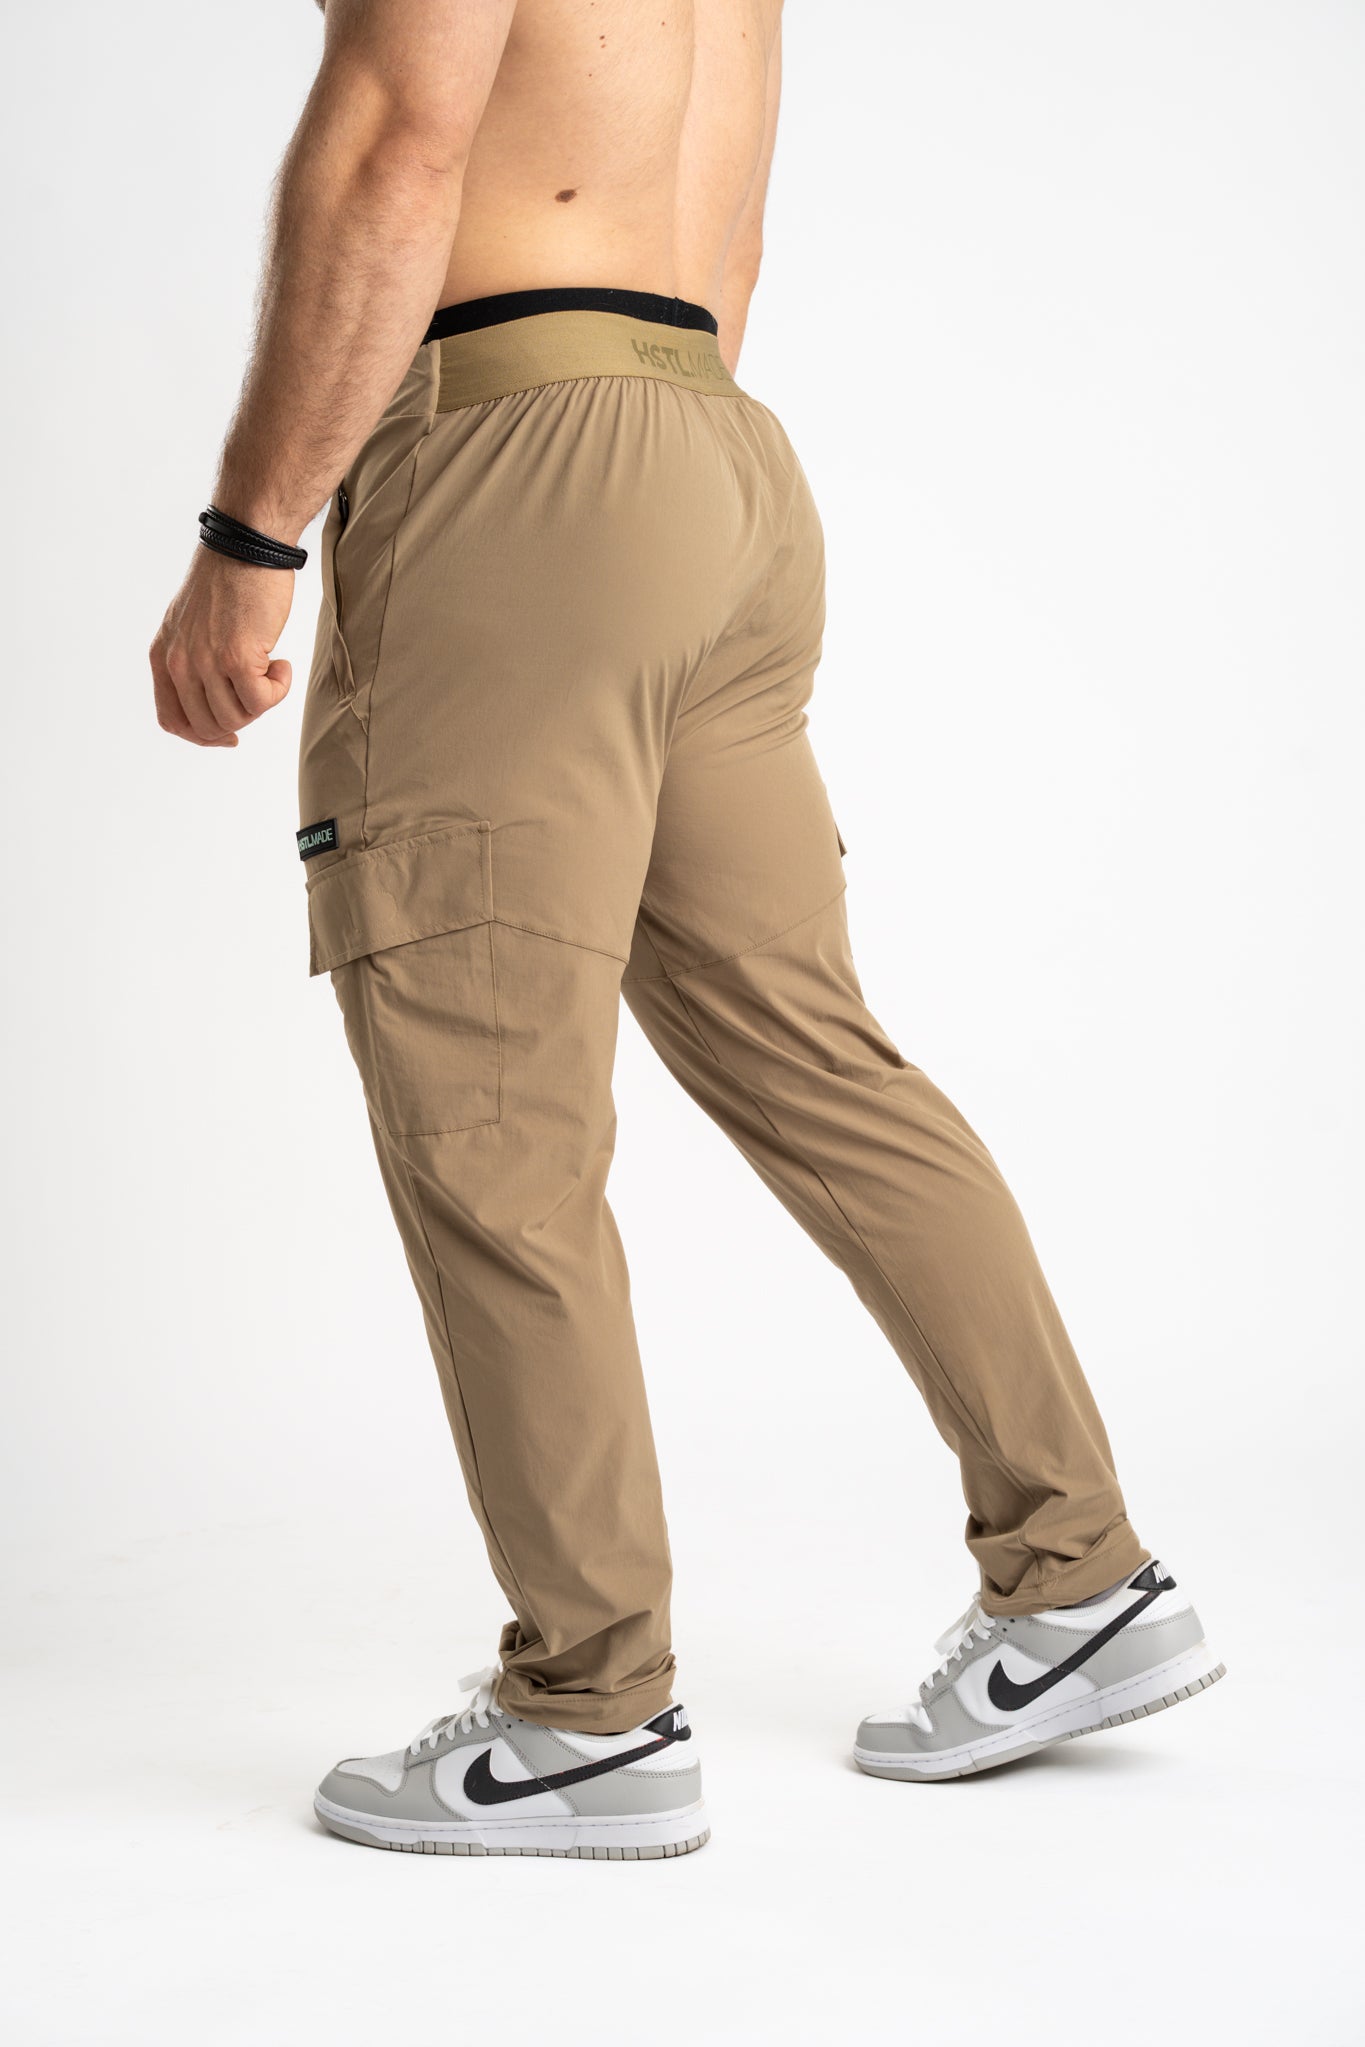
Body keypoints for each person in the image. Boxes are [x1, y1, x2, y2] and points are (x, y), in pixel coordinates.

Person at [150, 0, 1222, 1861]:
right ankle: (1079, 1579)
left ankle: (585, 1712)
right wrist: (631, 487)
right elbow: (729, 236)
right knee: (818, 1058)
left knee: (491, 1113)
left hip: (517, 462)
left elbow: (398, 145)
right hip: (713, 450)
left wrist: (250, 538)